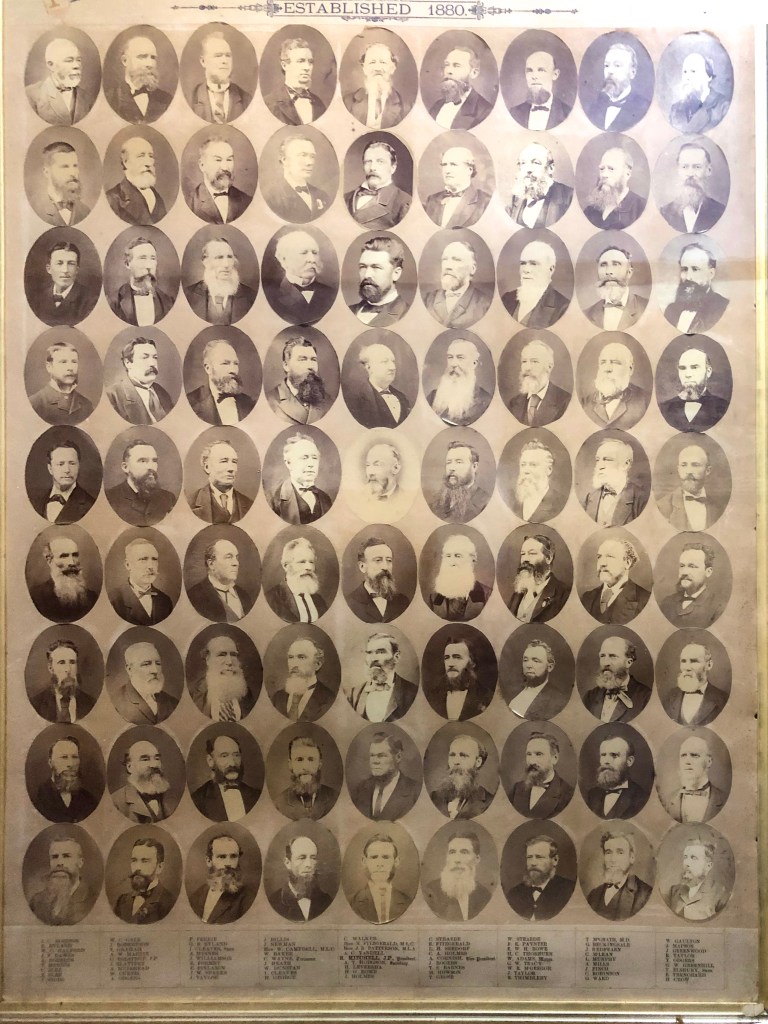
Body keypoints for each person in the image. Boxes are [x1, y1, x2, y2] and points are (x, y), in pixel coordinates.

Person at [265, 229, 335, 325]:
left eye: (315, 253)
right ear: (284, 259)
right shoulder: (270, 295)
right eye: (303, 252)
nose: (312, 259)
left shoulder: (331, 293)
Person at [344, 631, 417, 722]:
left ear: (396, 657)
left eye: (381, 652)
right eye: (369, 653)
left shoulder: (412, 693)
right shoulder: (353, 694)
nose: (373, 659)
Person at [185, 236, 256, 325]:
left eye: (229, 257)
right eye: (219, 257)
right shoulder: (189, 294)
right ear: (206, 262)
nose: (226, 264)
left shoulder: (251, 296)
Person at [349, 732, 420, 820]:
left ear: (398, 757)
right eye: (372, 755)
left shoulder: (415, 792)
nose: (375, 761)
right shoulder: (359, 790)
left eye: (381, 756)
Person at [105, 439, 176, 527]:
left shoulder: (168, 498)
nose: (151, 467)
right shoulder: (110, 499)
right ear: (125, 467)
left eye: (154, 461)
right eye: (142, 461)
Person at [423, 239, 492, 329]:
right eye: (444, 259)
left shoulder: (485, 305)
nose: (448, 266)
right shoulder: (428, 300)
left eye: (457, 260)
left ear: (472, 269)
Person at [186, 338, 257, 425]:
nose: (233, 370)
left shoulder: (249, 403)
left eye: (236, 363)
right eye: (225, 363)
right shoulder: (190, 403)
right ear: (208, 368)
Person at [422, 830, 491, 920]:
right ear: (447, 857)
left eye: (464, 852)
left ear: (476, 859)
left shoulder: (484, 895)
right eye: (452, 852)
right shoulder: (431, 892)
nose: (457, 860)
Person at [580, 537, 651, 625]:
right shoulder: (587, 598)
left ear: (627, 563)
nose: (602, 563)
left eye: (610, 556)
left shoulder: (645, 600)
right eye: (599, 557)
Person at [29, 534, 99, 622]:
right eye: (64, 556)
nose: (72, 562)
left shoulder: (92, 597)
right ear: (49, 560)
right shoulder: (37, 596)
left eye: (75, 555)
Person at [105, 34, 173, 123]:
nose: (150, 64)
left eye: (153, 58)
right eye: (142, 57)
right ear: (125, 61)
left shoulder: (166, 99)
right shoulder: (111, 99)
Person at [658, 347, 729, 432]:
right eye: (682, 368)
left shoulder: (723, 407)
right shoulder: (664, 408)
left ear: (708, 371)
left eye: (694, 367)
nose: (688, 374)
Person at [190, 734, 261, 820]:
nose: (232, 763)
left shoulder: (256, 795)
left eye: (236, 755)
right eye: (224, 756)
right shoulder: (198, 800)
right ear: (210, 761)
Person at [586, 829, 652, 920]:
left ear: (631, 857)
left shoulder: (645, 894)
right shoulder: (593, 895)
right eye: (608, 852)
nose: (613, 859)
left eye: (620, 852)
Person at [108, 235, 174, 326]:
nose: (149, 266)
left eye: (153, 258)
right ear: (127, 264)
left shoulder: (168, 302)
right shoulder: (113, 302)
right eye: (142, 258)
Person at [189, 834, 256, 923]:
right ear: (209, 861)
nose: (228, 863)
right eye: (222, 857)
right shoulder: (197, 896)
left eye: (233, 856)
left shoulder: (248, 899)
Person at [27, 38, 95, 125]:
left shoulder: (88, 98)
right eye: (69, 60)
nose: (77, 65)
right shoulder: (31, 95)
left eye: (78, 60)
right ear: (51, 65)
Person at [505, 834, 575, 920]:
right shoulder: (514, 894)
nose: (533, 863)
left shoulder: (569, 890)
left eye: (539, 857)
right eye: (529, 857)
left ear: (555, 860)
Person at [582, 636, 651, 723]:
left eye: (613, 656)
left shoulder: (646, 697)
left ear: (628, 662)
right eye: (602, 656)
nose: (605, 662)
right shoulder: (590, 697)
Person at [106, 337, 174, 425]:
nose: (152, 363)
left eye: (155, 357)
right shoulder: (112, 396)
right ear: (128, 363)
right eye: (145, 357)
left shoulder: (161, 392)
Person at [343, 41, 411, 129]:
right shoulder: (347, 103)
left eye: (383, 62)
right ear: (364, 68)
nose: (377, 68)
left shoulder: (407, 107)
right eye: (372, 62)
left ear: (392, 68)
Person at [660, 142, 726, 233]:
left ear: (708, 170)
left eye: (697, 167)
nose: (690, 173)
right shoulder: (664, 213)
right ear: (678, 170)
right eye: (684, 167)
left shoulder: (720, 211)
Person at [660, 734, 726, 823]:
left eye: (694, 755)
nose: (687, 761)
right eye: (683, 755)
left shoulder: (724, 799)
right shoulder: (667, 801)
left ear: (709, 761)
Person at [269, 433, 333, 525]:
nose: (311, 464)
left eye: (314, 458)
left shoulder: (325, 499)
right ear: (289, 463)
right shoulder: (274, 500)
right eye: (304, 458)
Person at [189, 632, 256, 720]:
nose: (229, 662)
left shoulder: (246, 694)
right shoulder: (194, 694)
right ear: (208, 659)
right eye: (221, 655)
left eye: (233, 655)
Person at [664, 243, 729, 333]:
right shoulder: (671, 310)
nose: (688, 277)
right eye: (684, 269)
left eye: (695, 269)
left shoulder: (723, 308)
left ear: (711, 274)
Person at [584, 42, 649, 131]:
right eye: (606, 65)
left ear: (632, 73)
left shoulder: (643, 108)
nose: (610, 71)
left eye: (617, 65)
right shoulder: (595, 107)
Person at [502, 240, 569, 327]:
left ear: (551, 269)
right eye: (523, 263)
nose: (526, 270)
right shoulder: (507, 298)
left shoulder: (563, 308)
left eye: (533, 264)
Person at [581, 437, 646, 527]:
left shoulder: (641, 498)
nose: (600, 466)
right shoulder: (590, 498)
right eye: (597, 460)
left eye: (607, 459)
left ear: (625, 464)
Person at [186, 135, 252, 224]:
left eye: (229, 160)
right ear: (202, 165)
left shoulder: (247, 201)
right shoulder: (190, 204)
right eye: (218, 160)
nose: (225, 167)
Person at [187, 537, 255, 623]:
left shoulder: (244, 596)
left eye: (236, 557)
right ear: (211, 564)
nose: (236, 563)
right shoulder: (195, 597)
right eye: (229, 557)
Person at [32, 734, 99, 822]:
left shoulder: (89, 800)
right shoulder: (38, 798)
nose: (70, 764)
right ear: (50, 763)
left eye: (75, 757)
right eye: (64, 757)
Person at [267, 336, 332, 425]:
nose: (311, 366)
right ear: (286, 365)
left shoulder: (328, 401)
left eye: (313, 360)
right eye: (302, 359)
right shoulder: (271, 401)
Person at [582, 342, 648, 430]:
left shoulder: (645, 401)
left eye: (615, 362)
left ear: (630, 369)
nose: (607, 369)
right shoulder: (586, 403)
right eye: (603, 362)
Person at [345, 140, 410, 229]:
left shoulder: (405, 202)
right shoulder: (345, 198)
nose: (372, 168)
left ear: (393, 168)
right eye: (368, 162)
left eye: (380, 162)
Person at [506, 142, 573, 228]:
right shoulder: (515, 199)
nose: (528, 169)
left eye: (536, 163)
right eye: (523, 163)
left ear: (550, 168)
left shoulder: (569, 197)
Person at [190, 29, 252, 123]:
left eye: (228, 55)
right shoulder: (191, 98)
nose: (224, 61)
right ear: (203, 61)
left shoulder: (246, 100)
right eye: (218, 56)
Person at [427, 338, 492, 426]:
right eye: (450, 357)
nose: (453, 364)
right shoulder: (432, 397)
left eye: (460, 357)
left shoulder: (485, 401)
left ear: (474, 363)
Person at [28, 834, 92, 925]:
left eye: (66, 856)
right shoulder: (36, 902)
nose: (59, 863)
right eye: (54, 857)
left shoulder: (91, 900)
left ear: (80, 863)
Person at [264, 135, 329, 223]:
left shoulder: (323, 195)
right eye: (303, 155)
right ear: (284, 160)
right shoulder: (272, 198)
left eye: (312, 156)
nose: (310, 162)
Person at [507, 733, 574, 818]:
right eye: (529, 754)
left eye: (539, 754)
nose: (532, 761)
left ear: (554, 758)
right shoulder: (517, 789)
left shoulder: (568, 795)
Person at [659, 542, 725, 628]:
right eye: (682, 566)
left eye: (692, 566)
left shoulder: (718, 608)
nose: (684, 572)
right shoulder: (666, 603)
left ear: (708, 572)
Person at [109, 537, 173, 626]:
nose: (151, 566)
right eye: (143, 559)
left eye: (154, 559)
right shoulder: (114, 600)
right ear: (128, 565)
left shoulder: (165, 601)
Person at [29, 440, 96, 524]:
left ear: (79, 466)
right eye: (60, 464)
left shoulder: (90, 505)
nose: (67, 470)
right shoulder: (36, 502)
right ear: (50, 468)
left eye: (72, 463)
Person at [508, 534, 570, 625]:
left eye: (532, 553)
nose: (525, 559)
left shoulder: (564, 595)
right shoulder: (516, 595)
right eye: (522, 554)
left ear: (548, 558)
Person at [30, 638, 96, 722]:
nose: (68, 669)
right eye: (61, 663)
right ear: (51, 668)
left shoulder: (90, 703)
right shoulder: (37, 703)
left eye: (72, 662)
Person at [345, 537, 410, 624]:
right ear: (362, 567)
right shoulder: (349, 604)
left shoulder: (403, 601)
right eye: (378, 560)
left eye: (389, 560)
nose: (385, 567)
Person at [350, 833, 411, 924]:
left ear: (396, 861)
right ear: (364, 861)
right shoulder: (353, 902)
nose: (379, 864)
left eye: (386, 857)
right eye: (374, 857)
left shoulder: (407, 902)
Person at [585, 732, 649, 819]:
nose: (606, 761)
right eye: (603, 755)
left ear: (629, 761)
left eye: (614, 755)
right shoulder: (592, 795)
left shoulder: (641, 798)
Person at [29, 340, 94, 425]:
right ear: (49, 367)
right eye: (63, 362)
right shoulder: (35, 403)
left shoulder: (86, 405)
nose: (70, 368)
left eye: (74, 362)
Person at [271, 636, 336, 721]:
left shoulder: (329, 699)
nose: (293, 664)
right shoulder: (277, 698)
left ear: (317, 665)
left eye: (301, 657)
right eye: (290, 657)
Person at [273, 735, 338, 820]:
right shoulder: (279, 804)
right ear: (290, 764)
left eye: (311, 759)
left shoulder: (335, 798)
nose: (305, 767)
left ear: (319, 764)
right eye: (299, 760)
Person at [268, 834, 332, 921]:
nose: (309, 865)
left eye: (313, 858)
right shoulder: (274, 902)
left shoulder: (326, 900)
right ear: (288, 863)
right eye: (302, 858)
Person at [428, 45, 494, 129]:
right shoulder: (437, 105)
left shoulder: (484, 111)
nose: (448, 71)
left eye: (457, 65)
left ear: (474, 73)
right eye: (447, 65)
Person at [424, 146, 491, 229]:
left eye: (453, 164)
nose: (447, 171)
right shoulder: (432, 200)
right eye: (444, 165)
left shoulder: (485, 202)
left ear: (469, 170)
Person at [113, 640, 178, 725]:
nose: (155, 670)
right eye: (146, 664)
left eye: (158, 663)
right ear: (130, 669)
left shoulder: (172, 702)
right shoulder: (116, 703)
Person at [428, 534, 491, 621]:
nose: (452, 562)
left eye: (458, 556)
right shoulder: (433, 598)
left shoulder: (488, 595)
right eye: (448, 556)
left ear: (472, 560)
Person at [346, 342, 410, 428]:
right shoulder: (355, 400)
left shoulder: (402, 398)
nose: (393, 367)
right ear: (369, 367)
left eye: (393, 361)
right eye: (384, 362)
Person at [264, 38, 327, 125]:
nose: (307, 67)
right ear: (284, 65)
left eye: (310, 62)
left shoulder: (319, 104)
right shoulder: (270, 104)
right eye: (300, 61)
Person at [583, 247, 648, 331]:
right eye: (603, 265)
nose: (608, 271)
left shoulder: (647, 309)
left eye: (616, 264)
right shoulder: (587, 314)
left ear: (629, 272)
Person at [106, 136, 167, 225]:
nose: (148, 163)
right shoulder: (113, 198)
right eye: (141, 156)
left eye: (150, 156)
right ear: (126, 162)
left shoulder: (157, 197)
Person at [31, 239, 93, 327]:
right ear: (49, 269)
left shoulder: (89, 300)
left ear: (77, 270)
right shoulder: (37, 298)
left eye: (71, 264)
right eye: (59, 263)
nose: (65, 270)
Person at [266, 536, 328, 624]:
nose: (309, 567)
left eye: (311, 562)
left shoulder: (319, 601)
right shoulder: (272, 599)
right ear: (286, 566)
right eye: (302, 562)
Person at [190, 439, 253, 525]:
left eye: (234, 462)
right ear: (207, 467)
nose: (231, 468)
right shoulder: (191, 503)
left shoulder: (250, 504)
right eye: (224, 461)